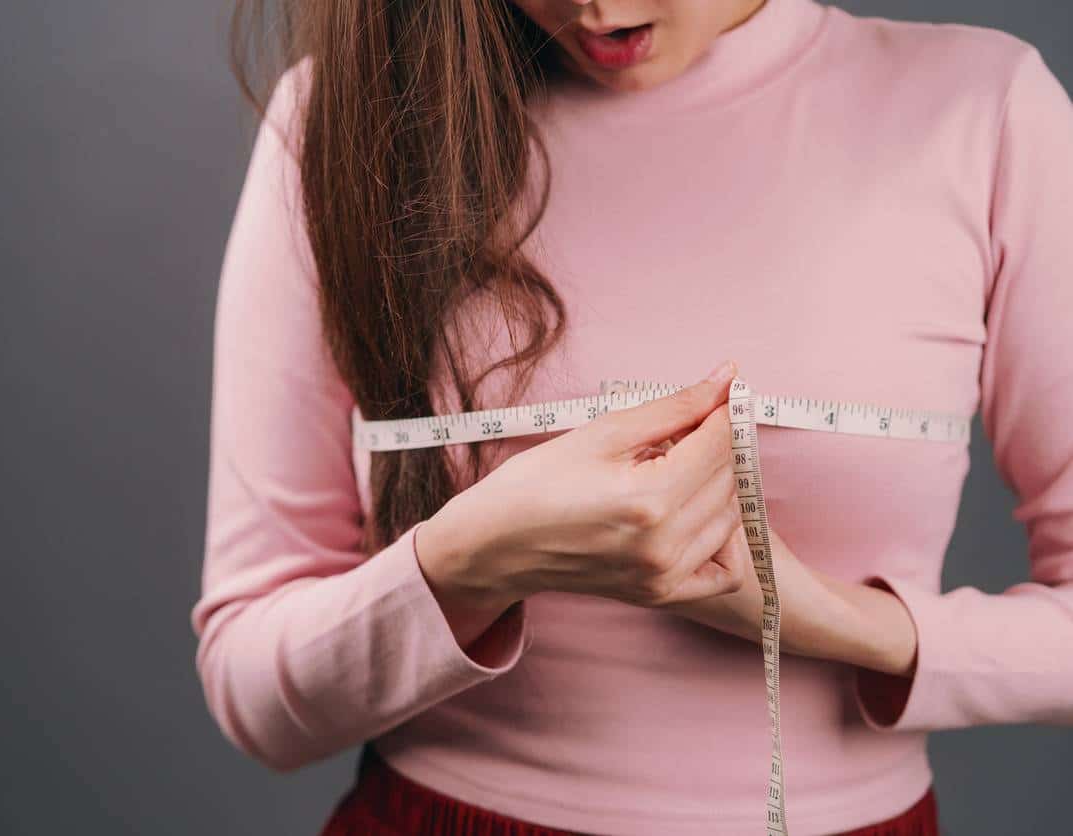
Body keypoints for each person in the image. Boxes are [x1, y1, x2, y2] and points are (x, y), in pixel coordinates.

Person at [190, 0, 1073, 832]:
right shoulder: (345, 121)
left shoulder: (984, 113)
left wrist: (828, 620)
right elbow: (256, 701)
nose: (596, 7)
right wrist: (471, 560)